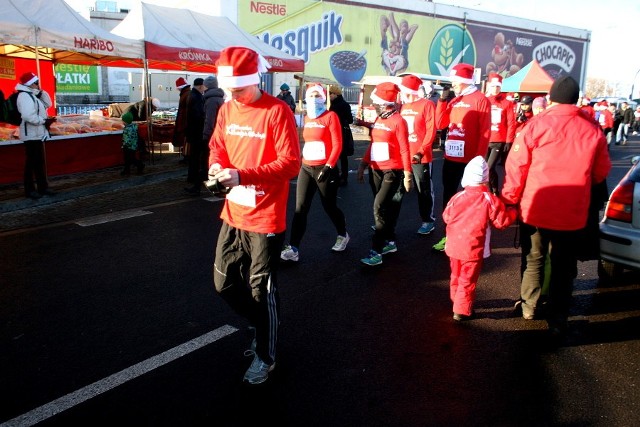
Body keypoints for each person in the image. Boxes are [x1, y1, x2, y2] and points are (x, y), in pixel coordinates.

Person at [207, 46, 301, 384]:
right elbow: (217, 145)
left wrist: (242, 175)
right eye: (230, 90)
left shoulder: (277, 112)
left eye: (240, 89)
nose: (234, 95)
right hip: (234, 213)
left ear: (256, 80)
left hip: (266, 218)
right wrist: (217, 166)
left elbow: (291, 163)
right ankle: (263, 325)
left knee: (262, 291)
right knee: (223, 284)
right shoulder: (226, 109)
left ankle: (266, 354)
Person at [501, 75, 611, 338]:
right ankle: (558, 319)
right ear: (576, 100)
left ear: (550, 98)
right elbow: (601, 172)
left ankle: (529, 306)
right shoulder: (592, 129)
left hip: (536, 207)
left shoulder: (535, 126)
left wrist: (509, 199)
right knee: (563, 265)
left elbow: (516, 167)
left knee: (534, 257)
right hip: (572, 212)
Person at [280, 84, 349, 262]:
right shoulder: (307, 117)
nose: (313, 99)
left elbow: (337, 144)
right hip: (306, 167)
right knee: (300, 208)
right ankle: (293, 248)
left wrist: (328, 166)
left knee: (329, 206)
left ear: (323, 97)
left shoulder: (331, 116)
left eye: (317, 95)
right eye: (310, 95)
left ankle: (343, 234)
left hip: (325, 168)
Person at [443, 156, 516, 321]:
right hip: (473, 248)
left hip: (453, 245)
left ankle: (456, 299)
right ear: (485, 179)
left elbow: (446, 216)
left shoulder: (457, 197)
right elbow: (501, 222)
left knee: (456, 274)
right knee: (468, 279)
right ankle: (461, 310)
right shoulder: (489, 200)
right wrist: (513, 212)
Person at [432, 63, 492, 252]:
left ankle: (471, 234)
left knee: (472, 200)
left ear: (464, 81)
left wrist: (479, 160)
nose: (454, 85)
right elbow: (440, 123)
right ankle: (448, 236)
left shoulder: (480, 99)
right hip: (451, 156)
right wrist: (442, 100)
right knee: (449, 196)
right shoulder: (454, 100)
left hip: (470, 160)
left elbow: (485, 131)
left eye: (456, 82)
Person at [357, 81, 412, 266]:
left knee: (379, 207)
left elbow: (405, 149)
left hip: (392, 171)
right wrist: (363, 165)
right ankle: (390, 242)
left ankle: (376, 251)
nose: (373, 106)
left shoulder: (399, 121)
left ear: (384, 104)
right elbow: (373, 144)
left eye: (376, 104)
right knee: (384, 208)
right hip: (376, 170)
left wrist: (407, 174)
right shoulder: (379, 119)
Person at [398, 73, 437, 235]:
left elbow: (431, 131)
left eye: (402, 90)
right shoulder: (404, 107)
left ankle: (428, 220)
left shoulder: (427, 105)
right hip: (403, 155)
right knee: (397, 190)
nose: (400, 93)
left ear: (408, 90)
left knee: (423, 190)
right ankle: (387, 222)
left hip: (420, 157)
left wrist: (421, 151)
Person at [16, 72, 56, 199]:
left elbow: (48, 104)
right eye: (36, 82)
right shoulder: (24, 96)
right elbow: (28, 116)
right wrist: (42, 121)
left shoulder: (33, 95)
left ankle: (42, 187)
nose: (38, 84)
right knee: (31, 163)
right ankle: (30, 190)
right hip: (31, 135)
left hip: (38, 134)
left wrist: (41, 92)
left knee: (39, 163)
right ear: (30, 83)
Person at [484, 73, 516, 195]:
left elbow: (511, 122)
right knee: (485, 168)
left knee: (490, 167)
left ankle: (495, 191)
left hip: (499, 140)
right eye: (493, 86)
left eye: (497, 86)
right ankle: (489, 191)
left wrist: (509, 140)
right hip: (486, 139)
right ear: (489, 86)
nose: (495, 89)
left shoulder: (506, 103)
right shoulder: (485, 100)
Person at [184, 78, 207, 195]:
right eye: (204, 86)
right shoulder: (197, 97)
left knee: (194, 157)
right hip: (197, 132)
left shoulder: (192, 95)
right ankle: (196, 182)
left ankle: (194, 180)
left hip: (192, 131)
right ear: (200, 86)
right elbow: (198, 116)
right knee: (198, 158)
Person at [328, 86, 354, 186]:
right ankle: (339, 176)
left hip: (342, 132)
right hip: (339, 131)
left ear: (336, 94)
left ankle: (342, 177)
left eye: (331, 94)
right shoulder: (336, 104)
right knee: (339, 155)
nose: (329, 96)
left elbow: (350, 120)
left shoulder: (341, 105)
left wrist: (341, 120)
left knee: (340, 155)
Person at [201, 74, 225, 178]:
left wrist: (205, 135)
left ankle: (207, 178)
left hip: (211, 134)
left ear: (207, 86)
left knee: (207, 158)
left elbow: (209, 120)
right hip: (218, 133)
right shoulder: (219, 98)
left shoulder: (211, 100)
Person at [119, 111, 145, 176]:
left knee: (131, 159)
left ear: (126, 121)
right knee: (128, 159)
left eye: (123, 121)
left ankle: (140, 165)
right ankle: (126, 170)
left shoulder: (127, 129)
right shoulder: (133, 127)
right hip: (133, 145)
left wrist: (124, 145)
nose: (122, 122)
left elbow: (126, 138)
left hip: (128, 146)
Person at [173, 77, 191, 164]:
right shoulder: (187, 93)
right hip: (185, 121)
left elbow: (186, 111)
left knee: (186, 141)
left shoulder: (186, 94)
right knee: (186, 141)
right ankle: (186, 156)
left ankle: (187, 157)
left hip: (185, 122)